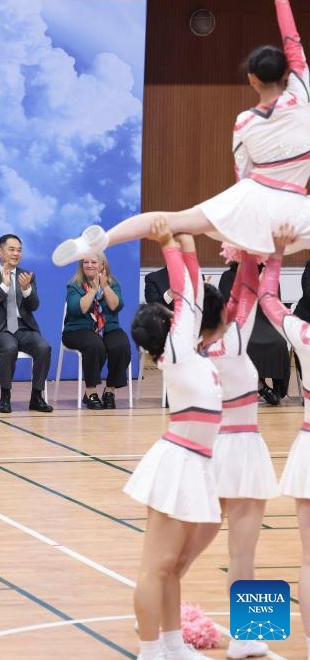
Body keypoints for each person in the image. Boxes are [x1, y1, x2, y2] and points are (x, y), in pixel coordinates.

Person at [53, 0, 309, 268]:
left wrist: (241, 223)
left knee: (173, 220)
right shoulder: (301, 94)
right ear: (287, 72)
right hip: (295, 204)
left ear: (251, 79)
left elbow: (244, 174)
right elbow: (293, 40)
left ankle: (102, 240)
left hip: (254, 199)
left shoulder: (245, 122)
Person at [125, 219, 227, 660]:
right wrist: (170, 243)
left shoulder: (190, 352)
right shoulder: (179, 349)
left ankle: (170, 643)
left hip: (197, 461)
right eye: (174, 313)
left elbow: (197, 295)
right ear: (170, 323)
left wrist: (188, 244)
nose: (180, 312)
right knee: (156, 567)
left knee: (169, 568)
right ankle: (151, 650)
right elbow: (190, 293)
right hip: (179, 462)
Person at [202, 250, 278, 660]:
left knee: (183, 548)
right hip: (243, 449)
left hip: (210, 449)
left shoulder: (192, 348)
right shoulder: (232, 341)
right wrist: (253, 251)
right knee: (243, 551)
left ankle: (158, 621)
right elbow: (247, 289)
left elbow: (238, 294)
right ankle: (246, 637)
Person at [257, 223, 310, 660]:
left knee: (306, 560)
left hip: (259, 456)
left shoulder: (304, 335)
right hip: (238, 459)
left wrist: (274, 254)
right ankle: (250, 634)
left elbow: (267, 298)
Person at [0, 234, 53, 413]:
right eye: (11, 249)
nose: (16, 253)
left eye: (19, 250)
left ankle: (36, 396)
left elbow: (34, 306)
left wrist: (27, 289)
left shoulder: (27, 276)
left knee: (44, 347)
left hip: (23, 327)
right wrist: (3, 286)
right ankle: (5, 397)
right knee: (9, 347)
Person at [62, 253, 131, 409]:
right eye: (85, 262)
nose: (89, 265)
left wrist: (104, 286)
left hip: (108, 329)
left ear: (102, 266)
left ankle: (110, 391)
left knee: (121, 345)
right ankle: (91, 392)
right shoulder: (74, 285)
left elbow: (115, 306)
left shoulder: (113, 284)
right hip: (78, 330)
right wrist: (92, 291)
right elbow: (78, 309)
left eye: (94, 262)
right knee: (95, 345)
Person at [219, 260, 289, 405]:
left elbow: (275, 305)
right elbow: (228, 306)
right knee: (246, 342)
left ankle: (276, 387)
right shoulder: (228, 276)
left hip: (265, 323)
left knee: (280, 342)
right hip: (240, 323)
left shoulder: (267, 276)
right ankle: (259, 385)